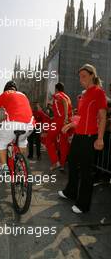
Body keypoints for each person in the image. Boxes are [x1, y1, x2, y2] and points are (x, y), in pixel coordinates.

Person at [58, 64, 107, 214]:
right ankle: (71, 192)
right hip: (79, 135)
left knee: (86, 171)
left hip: (90, 137)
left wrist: (100, 138)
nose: (81, 79)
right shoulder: (84, 94)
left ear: (92, 75)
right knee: (72, 163)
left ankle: (83, 205)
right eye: (79, 77)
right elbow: (81, 117)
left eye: (84, 76)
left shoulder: (99, 92)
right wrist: (72, 124)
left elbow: (102, 117)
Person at [0, 81, 34, 175]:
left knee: (1, 143)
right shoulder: (23, 95)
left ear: (5, 89)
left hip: (13, 124)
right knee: (22, 141)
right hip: (30, 125)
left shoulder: (4, 94)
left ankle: (4, 167)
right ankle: (21, 165)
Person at [46, 82, 72, 170]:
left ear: (56, 89)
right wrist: (67, 118)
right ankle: (62, 165)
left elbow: (63, 102)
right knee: (63, 144)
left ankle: (55, 162)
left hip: (59, 121)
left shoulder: (57, 95)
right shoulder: (67, 97)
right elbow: (65, 106)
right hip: (66, 123)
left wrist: (65, 117)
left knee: (48, 140)